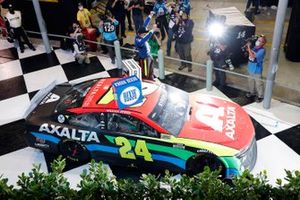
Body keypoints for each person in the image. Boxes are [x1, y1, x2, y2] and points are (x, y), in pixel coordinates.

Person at [135, 11, 158, 80]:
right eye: (143, 34)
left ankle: (150, 75)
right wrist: (152, 30)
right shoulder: (138, 40)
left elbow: (144, 25)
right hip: (144, 57)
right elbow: (144, 39)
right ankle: (147, 78)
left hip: (148, 55)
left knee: (150, 67)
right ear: (139, 34)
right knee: (146, 69)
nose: (145, 34)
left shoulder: (140, 33)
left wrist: (150, 15)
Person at [246, 35, 266, 103]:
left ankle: (261, 96)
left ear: (263, 43)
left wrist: (248, 47)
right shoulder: (255, 47)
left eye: (260, 41)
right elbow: (250, 52)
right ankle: (252, 92)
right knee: (250, 81)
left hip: (257, 69)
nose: (258, 41)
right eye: (258, 40)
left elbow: (253, 56)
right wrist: (248, 48)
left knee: (258, 83)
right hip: (250, 67)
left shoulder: (262, 50)